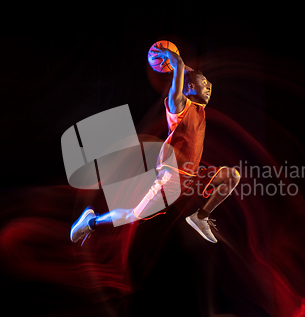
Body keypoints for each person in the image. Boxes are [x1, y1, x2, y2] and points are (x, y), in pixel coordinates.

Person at [70, 43, 241, 245]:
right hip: (172, 180)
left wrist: (184, 68)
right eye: (204, 82)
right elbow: (179, 66)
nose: (209, 86)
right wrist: (171, 58)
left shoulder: (199, 110)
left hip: (191, 176)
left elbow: (186, 72)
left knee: (232, 176)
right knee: (131, 216)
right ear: (190, 87)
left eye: (209, 83)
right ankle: (92, 221)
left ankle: (200, 217)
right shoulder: (178, 106)